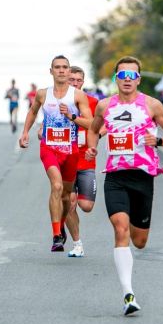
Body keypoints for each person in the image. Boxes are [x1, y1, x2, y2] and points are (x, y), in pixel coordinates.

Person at [86, 56, 163, 316]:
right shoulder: (104, 106)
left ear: (138, 79)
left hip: (142, 177)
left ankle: (129, 289)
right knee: (120, 228)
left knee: (139, 241)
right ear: (116, 78)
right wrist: (92, 147)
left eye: (132, 76)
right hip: (115, 177)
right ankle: (128, 294)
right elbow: (93, 130)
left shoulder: (152, 105)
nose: (127, 80)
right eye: (122, 75)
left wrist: (158, 141)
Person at [19, 55, 93, 252]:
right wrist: (25, 132)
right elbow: (33, 112)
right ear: (51, 71)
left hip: (71, 150)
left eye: (65, 67)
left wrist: (72, 116)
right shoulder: (43, 94)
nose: (61, 70)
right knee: (57, 186)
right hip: (49, 148)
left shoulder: (78, 96)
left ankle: (60, 225)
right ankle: (56, 236)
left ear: (69, 72)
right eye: (57, 67)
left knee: (67, 196)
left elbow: (91, 123)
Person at [37, 66, 102, 257]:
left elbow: (102, 125)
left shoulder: (91, 102)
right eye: (71, 80)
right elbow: (47, 123)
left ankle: (62, 218)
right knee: (68, 198)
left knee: (86, 206)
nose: (74, 83)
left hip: (86, 160)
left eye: (78, 80)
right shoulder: (59, 99)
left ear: (83, 81)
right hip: (65, 156)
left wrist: (96, 137)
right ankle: (76, 243)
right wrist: (42, 131)